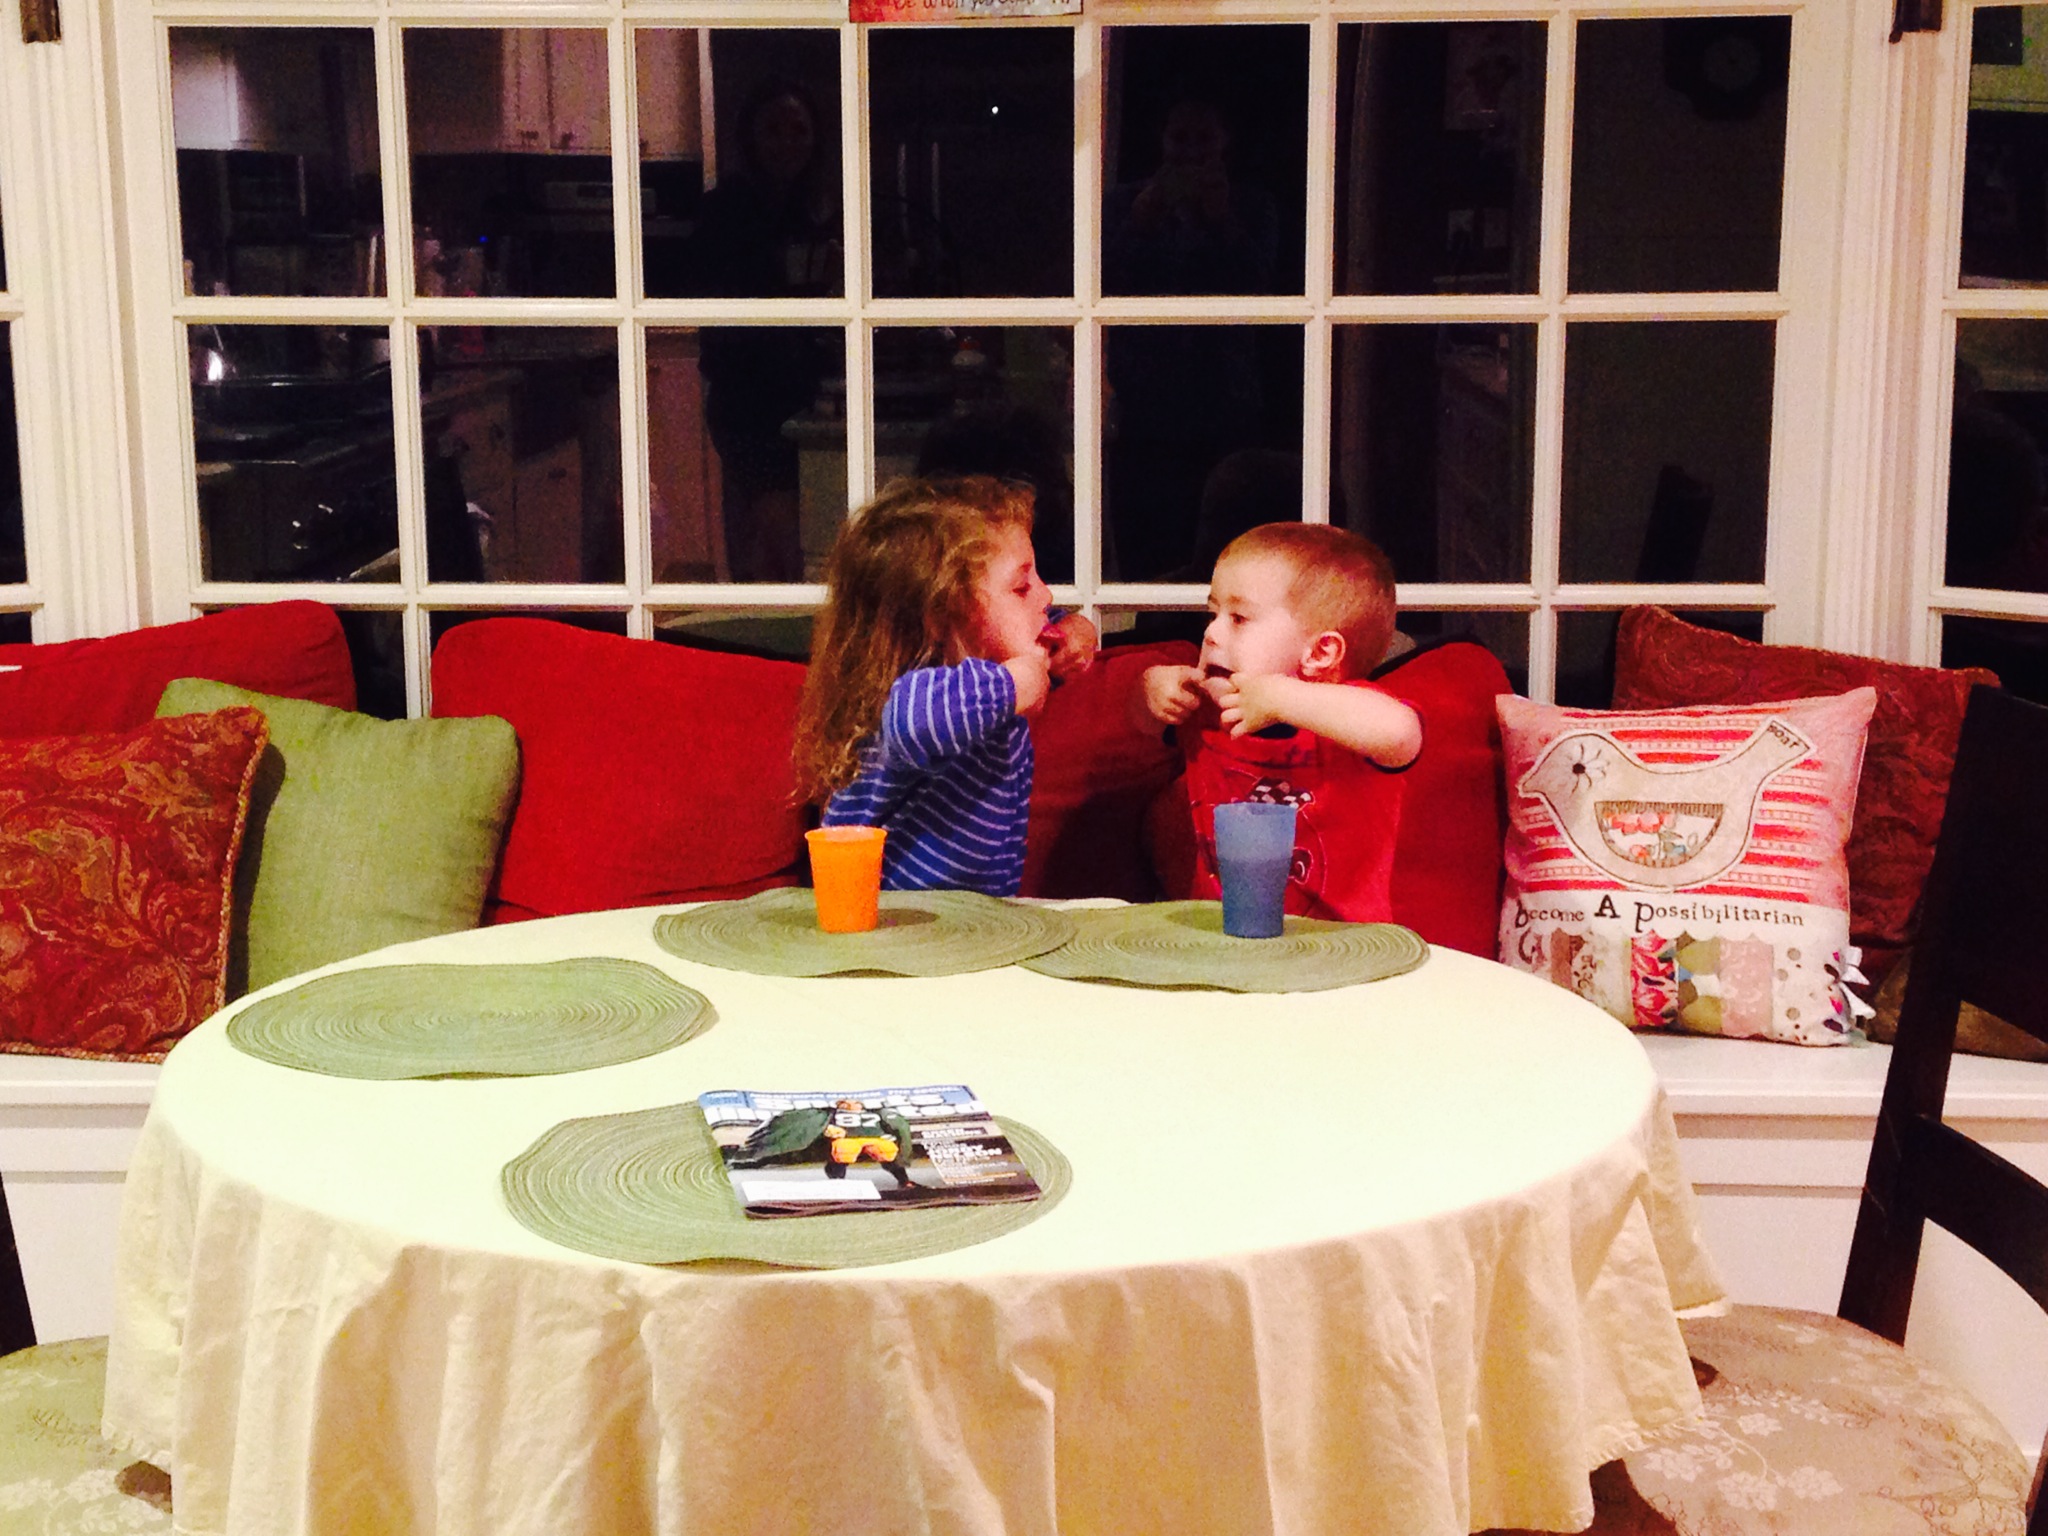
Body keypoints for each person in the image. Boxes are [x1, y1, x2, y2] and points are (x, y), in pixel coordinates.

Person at [1133, 522, 1423, 923]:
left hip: (1339, 944)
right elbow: (1142, 724)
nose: (1211, 633)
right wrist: (1150, 690)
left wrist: (1280, 698)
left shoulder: (1350, 717)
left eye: (1239, 618)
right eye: (1214, 613)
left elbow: (1401, 733)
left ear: (1320, 653)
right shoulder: (1209, 707)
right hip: (1224, 935)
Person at [793, 476, 1064, 896]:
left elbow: (1032, 639)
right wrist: (1015, 682)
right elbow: (913, 722)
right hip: (889, 914)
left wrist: (1073, 633)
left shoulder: (986, 680)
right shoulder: (922, 694)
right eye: (1021, 586)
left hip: (963, 917)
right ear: (943, 613)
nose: (1045, 596)